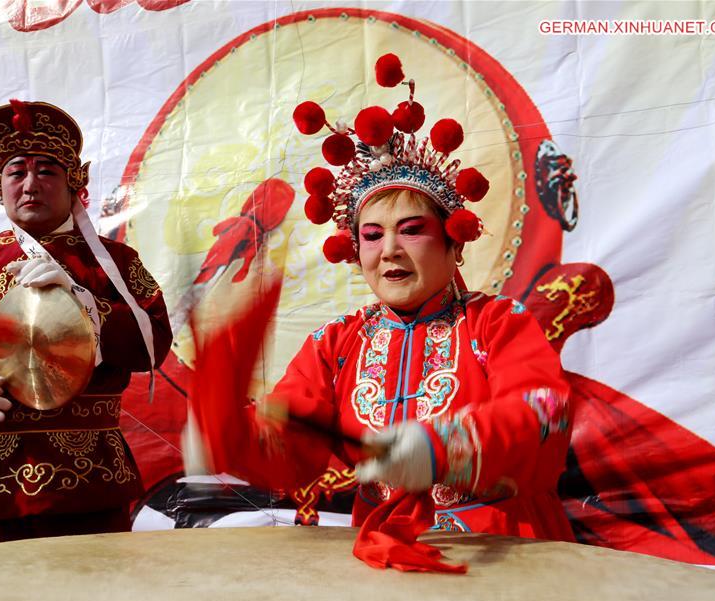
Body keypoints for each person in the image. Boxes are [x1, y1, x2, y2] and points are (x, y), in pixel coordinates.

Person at [187, 54, 573, 551]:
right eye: (371, 236)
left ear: (454, 244)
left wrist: (443, 447)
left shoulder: (496, 323)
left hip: (502, 550)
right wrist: (230, 437)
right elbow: (292, 441)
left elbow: (543, 410)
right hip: (383, 549)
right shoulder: (337, 344)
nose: (388, 249)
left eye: (411, 231)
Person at [0, 100, 172, 547]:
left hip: (91, 481)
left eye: (47, 171)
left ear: (74, 183)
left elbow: (154, 345)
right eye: (16, 172)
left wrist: (89, 304)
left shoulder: (115, 264)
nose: (30, 185)